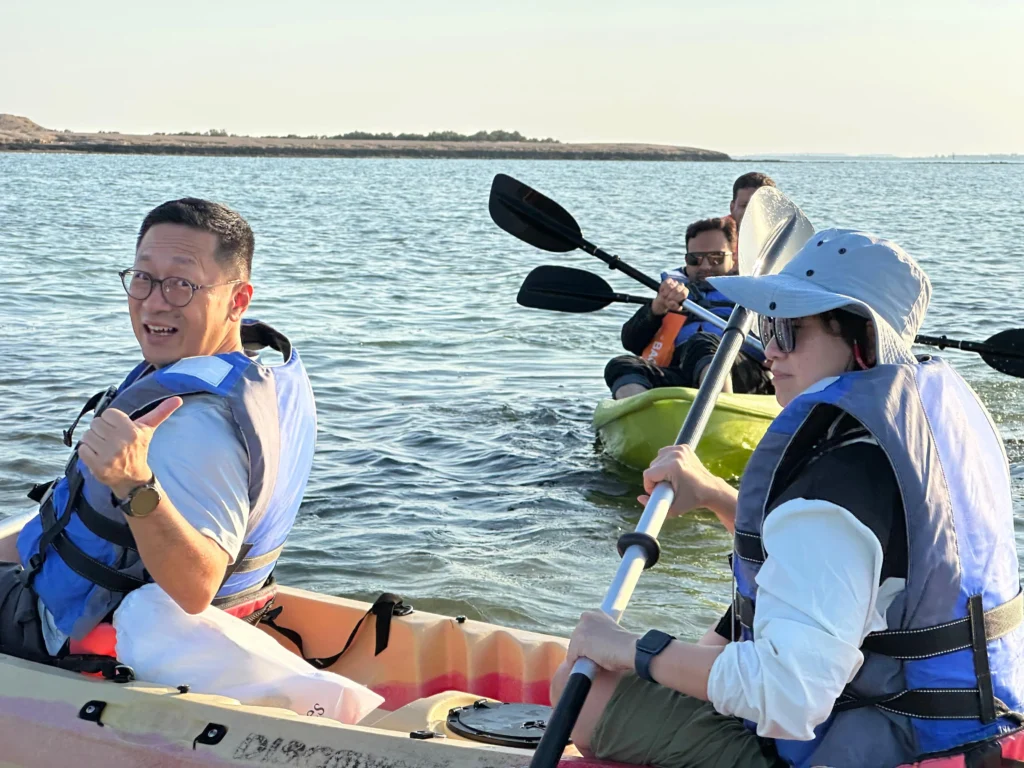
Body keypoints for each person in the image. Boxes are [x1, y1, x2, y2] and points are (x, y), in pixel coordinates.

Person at [556, 229, 1024, 767]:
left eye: (789, 330)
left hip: (871, 746)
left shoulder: (835, 482)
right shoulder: (913, 432)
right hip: (958, 734)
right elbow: (868, 566)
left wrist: (630, 647)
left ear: (861, 342)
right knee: (716, 643)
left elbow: (789, 698)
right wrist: (713, 494)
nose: (769, 349)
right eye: (768, 326)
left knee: (584, 693)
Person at [0, 198, 317, 670]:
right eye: (143, 277)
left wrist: (133, 483)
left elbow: (196, 588)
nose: (154, 300)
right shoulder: (260, 374)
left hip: (72, 634)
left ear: (238, 300)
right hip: (213, 617)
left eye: (182, 284)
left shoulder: (195, 423)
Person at [604, 216, 772, 399]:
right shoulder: (673, 293)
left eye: (716, 258)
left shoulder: (755, 291)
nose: (706, 266)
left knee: (702, 342)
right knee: (621, 365)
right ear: (686, 260)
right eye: (695, 259)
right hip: (684, 372)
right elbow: (631, 342)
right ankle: (638, 420)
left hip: (742, 372)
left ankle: (719, 412)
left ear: (734, 258)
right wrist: (656, 308)